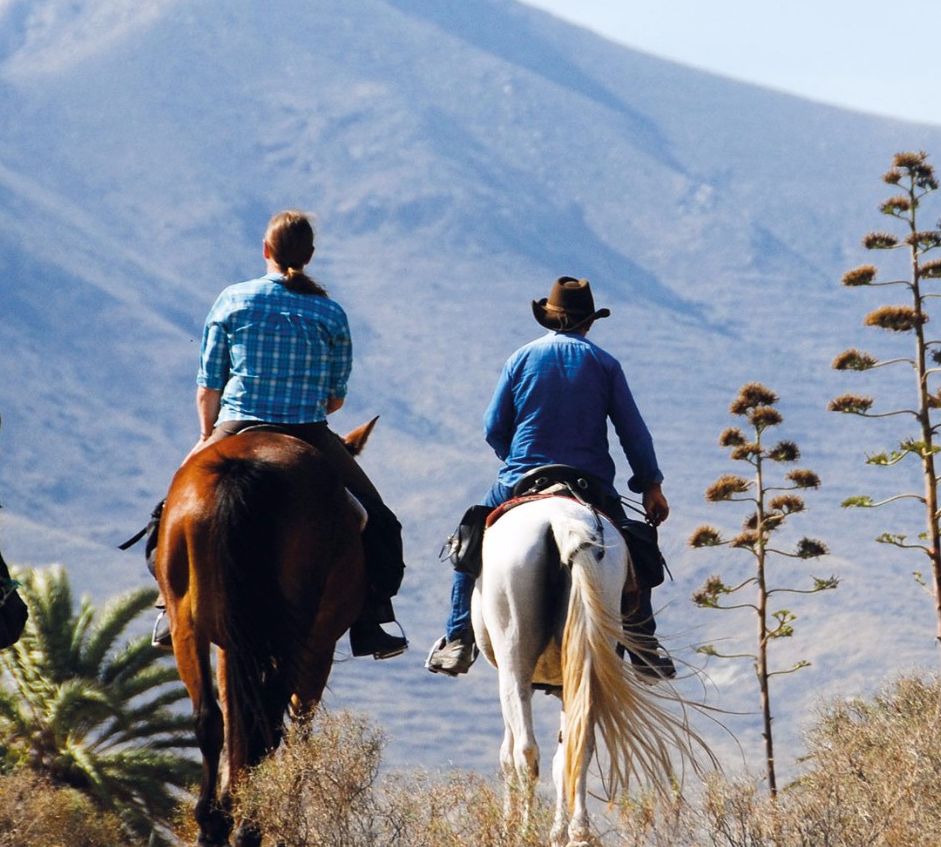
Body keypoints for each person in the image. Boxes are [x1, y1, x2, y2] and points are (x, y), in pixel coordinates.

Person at [162, 211, 407, 659]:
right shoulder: (330, 312)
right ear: (309, 256)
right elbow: (336, 400)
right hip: (308, 432)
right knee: (380, 522)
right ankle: (373, 619)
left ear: (266, 251)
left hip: (236, 424)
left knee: (166, 512)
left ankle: (171, 607)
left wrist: (205, 435)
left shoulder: (232, 300)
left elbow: (208, 385)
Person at [426, 276, 674, 679]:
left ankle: (457, 640)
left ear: (548, 317)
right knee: (632, 543)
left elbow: (493, 426)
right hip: (588, 482)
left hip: (522, 475)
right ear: (589, 323)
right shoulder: (606, 364)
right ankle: (644, 646)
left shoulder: (520, 358)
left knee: (468, 540)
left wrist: (515, 461)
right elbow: (633, 432)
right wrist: (651, 485)